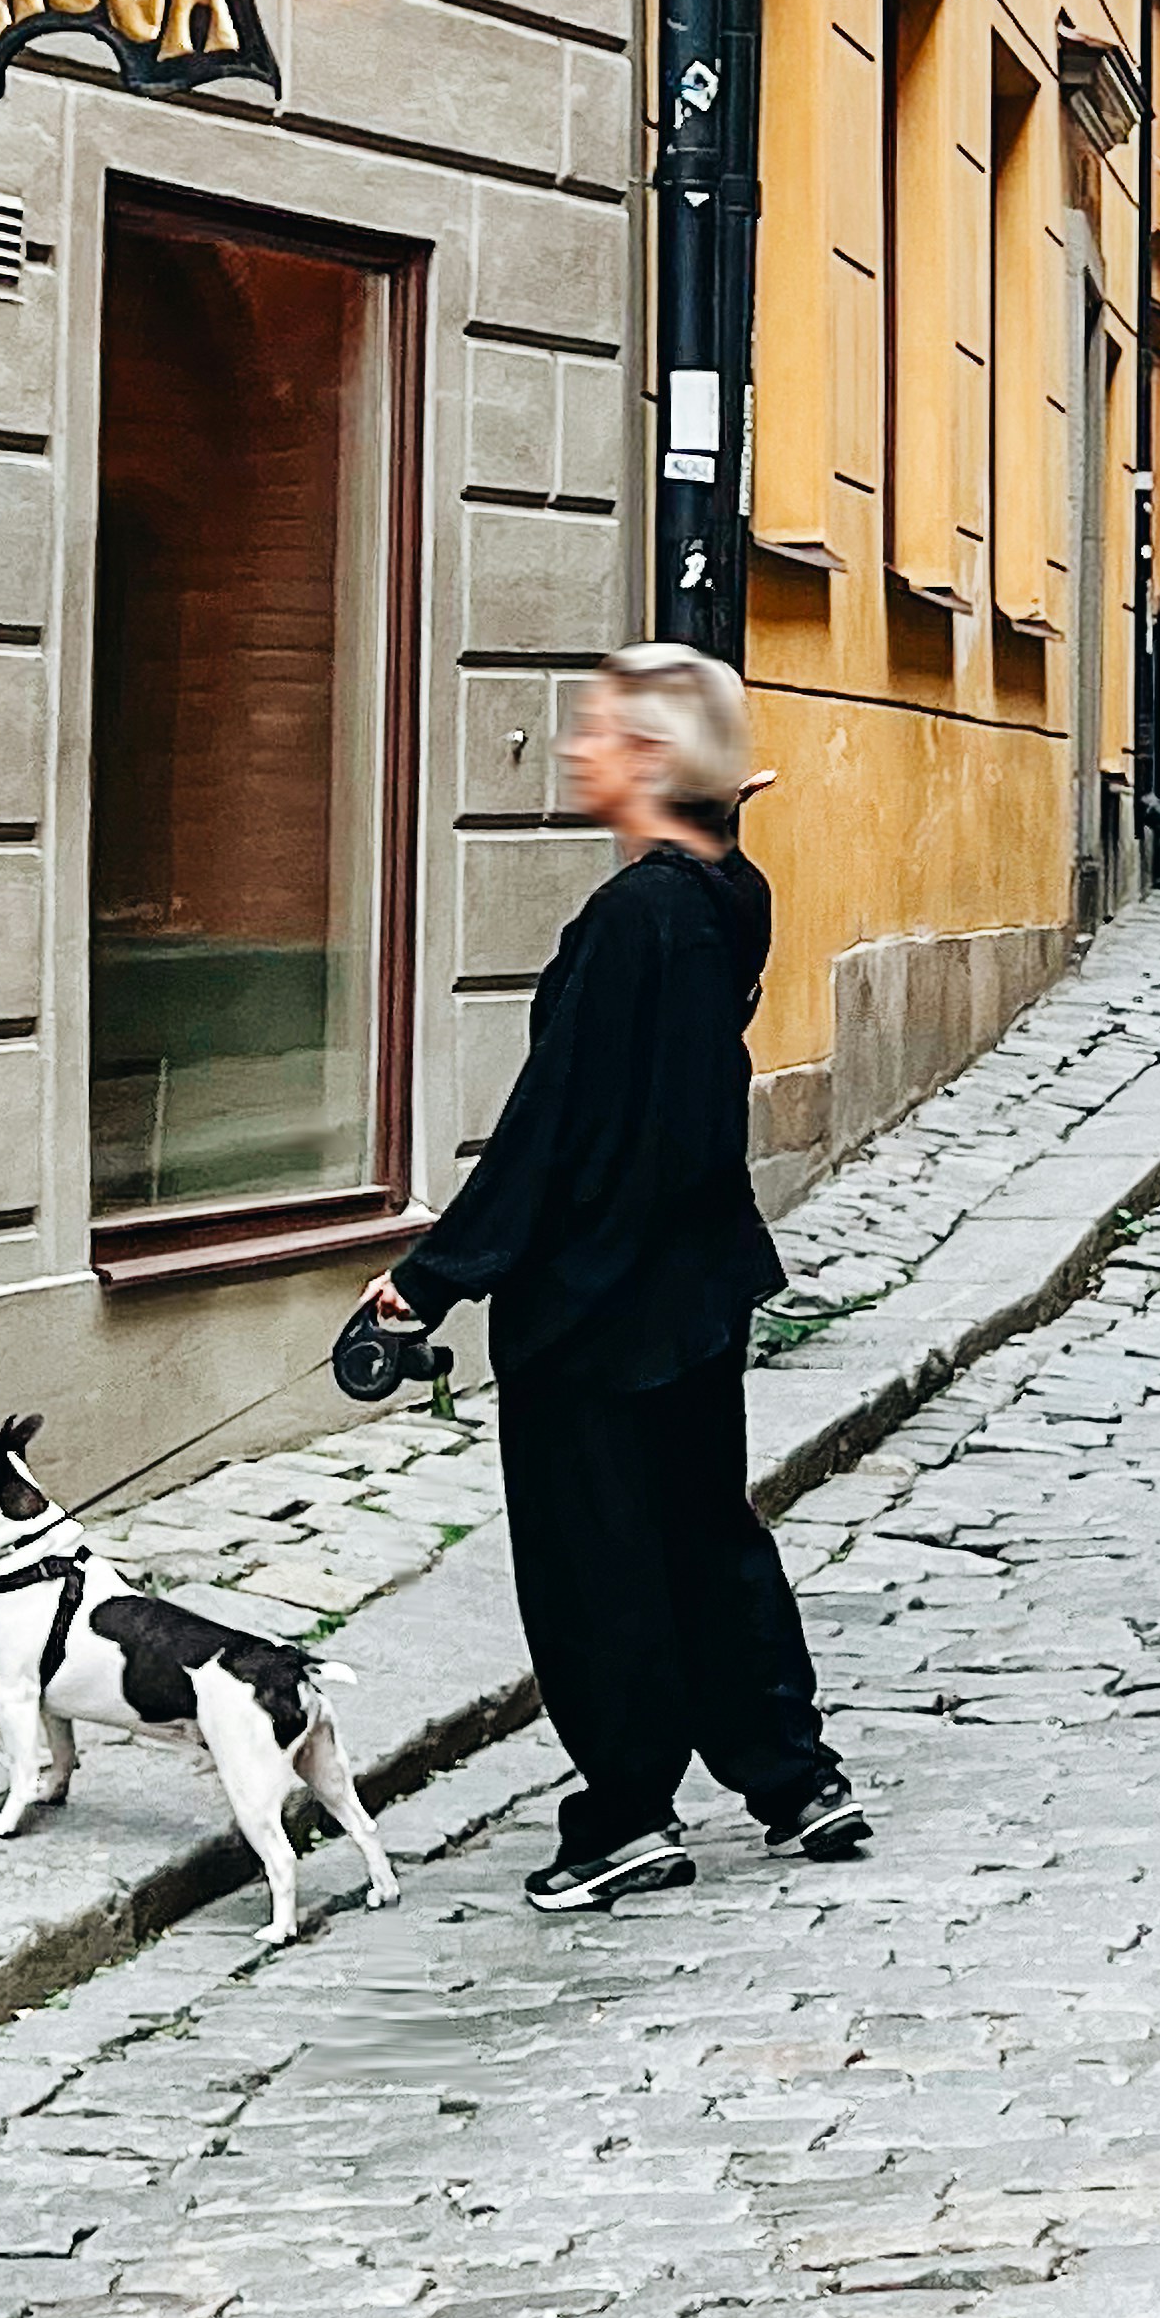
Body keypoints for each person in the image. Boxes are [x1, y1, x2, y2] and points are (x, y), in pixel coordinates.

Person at [359, 647, 861, 1915]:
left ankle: (628, 1814)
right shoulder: (730, 890)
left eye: (596, 735)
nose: (577, 752)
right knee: (707, 1534)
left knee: (597, 1563)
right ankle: (794, 1776)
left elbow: (556, 1125)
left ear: (647, 762)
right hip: (696, 1275)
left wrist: (433, 1279)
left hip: (599, 1292)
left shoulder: (633, 916)